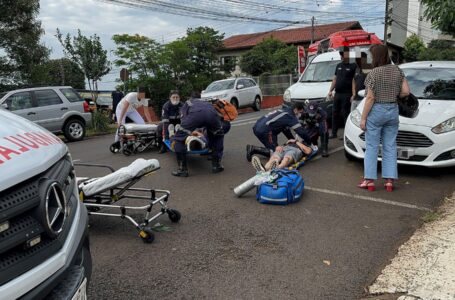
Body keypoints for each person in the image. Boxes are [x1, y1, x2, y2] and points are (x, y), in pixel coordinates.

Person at [358, 44, 410, 192]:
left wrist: (363, 119)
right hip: (393, 110)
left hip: (377, 111)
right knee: (390, 146)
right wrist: (393, 95)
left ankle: (369, 180)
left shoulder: (373, 73)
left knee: (372, 147)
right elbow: (406, 91)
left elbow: (370, 98)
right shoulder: (398, 71)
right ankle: (389, 181)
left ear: (376, 56)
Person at [171, 91, 225, 177]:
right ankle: (216, 166)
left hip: (195, 117)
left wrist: (188, 131)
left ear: (190, 98)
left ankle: (182, 170)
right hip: (212, 116)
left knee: (178, 139)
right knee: (217, 136)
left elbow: (184, 118)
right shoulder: (206, 102)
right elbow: (216, 115)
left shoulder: (188, 102)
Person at [246, 102, 312, 161]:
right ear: (296, 109)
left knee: (274, 149)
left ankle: (255, 149)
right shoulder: (290, 116)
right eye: (301, 112)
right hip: (266, 131)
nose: (300, 115)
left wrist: (293, 141)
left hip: (258, 127)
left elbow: (285, 129)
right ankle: (253, 149)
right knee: (277, 153)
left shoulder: (285, 111)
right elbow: (301, 131)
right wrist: (309, 143)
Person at [327, 46, 357, 139]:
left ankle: (346, 134)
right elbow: (335, 79)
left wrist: (353, 94)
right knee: (334, 113)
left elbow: (354, 81)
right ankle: (334, 133)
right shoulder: (339, 66)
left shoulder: (353, 66)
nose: (342, 57)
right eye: (341, 55)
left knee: (345, 114)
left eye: (343, 55)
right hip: (337, 93)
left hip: (346, 94)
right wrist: (330, 90)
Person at [251, 139, 315, 172]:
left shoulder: (306, 144)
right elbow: (284, 145)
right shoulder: (291, 140)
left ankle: (277, 168)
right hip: (284, 148)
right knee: (274, 158)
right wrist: (279, 146)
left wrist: (296, 141)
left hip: (295, 150)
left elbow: (308, 151)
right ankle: (263, 169)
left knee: (286, 159)